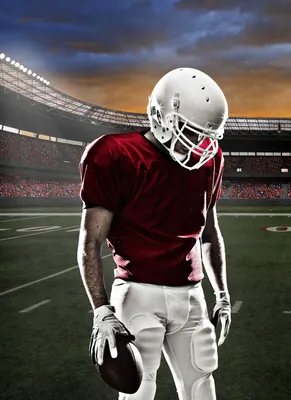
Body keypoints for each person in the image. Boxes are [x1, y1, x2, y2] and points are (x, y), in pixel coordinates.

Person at [76, 67, 231, 400]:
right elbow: (90, 242)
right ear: (161, 116)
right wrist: (102, 311)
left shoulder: (211, 160)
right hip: (136, 292)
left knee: (203, 388)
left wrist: (222, 293)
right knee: (138, 393)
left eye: (206, 137)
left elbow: (209, 232)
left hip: (191, 296)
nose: (200, 147)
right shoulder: (115, 153)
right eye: (190, 133)